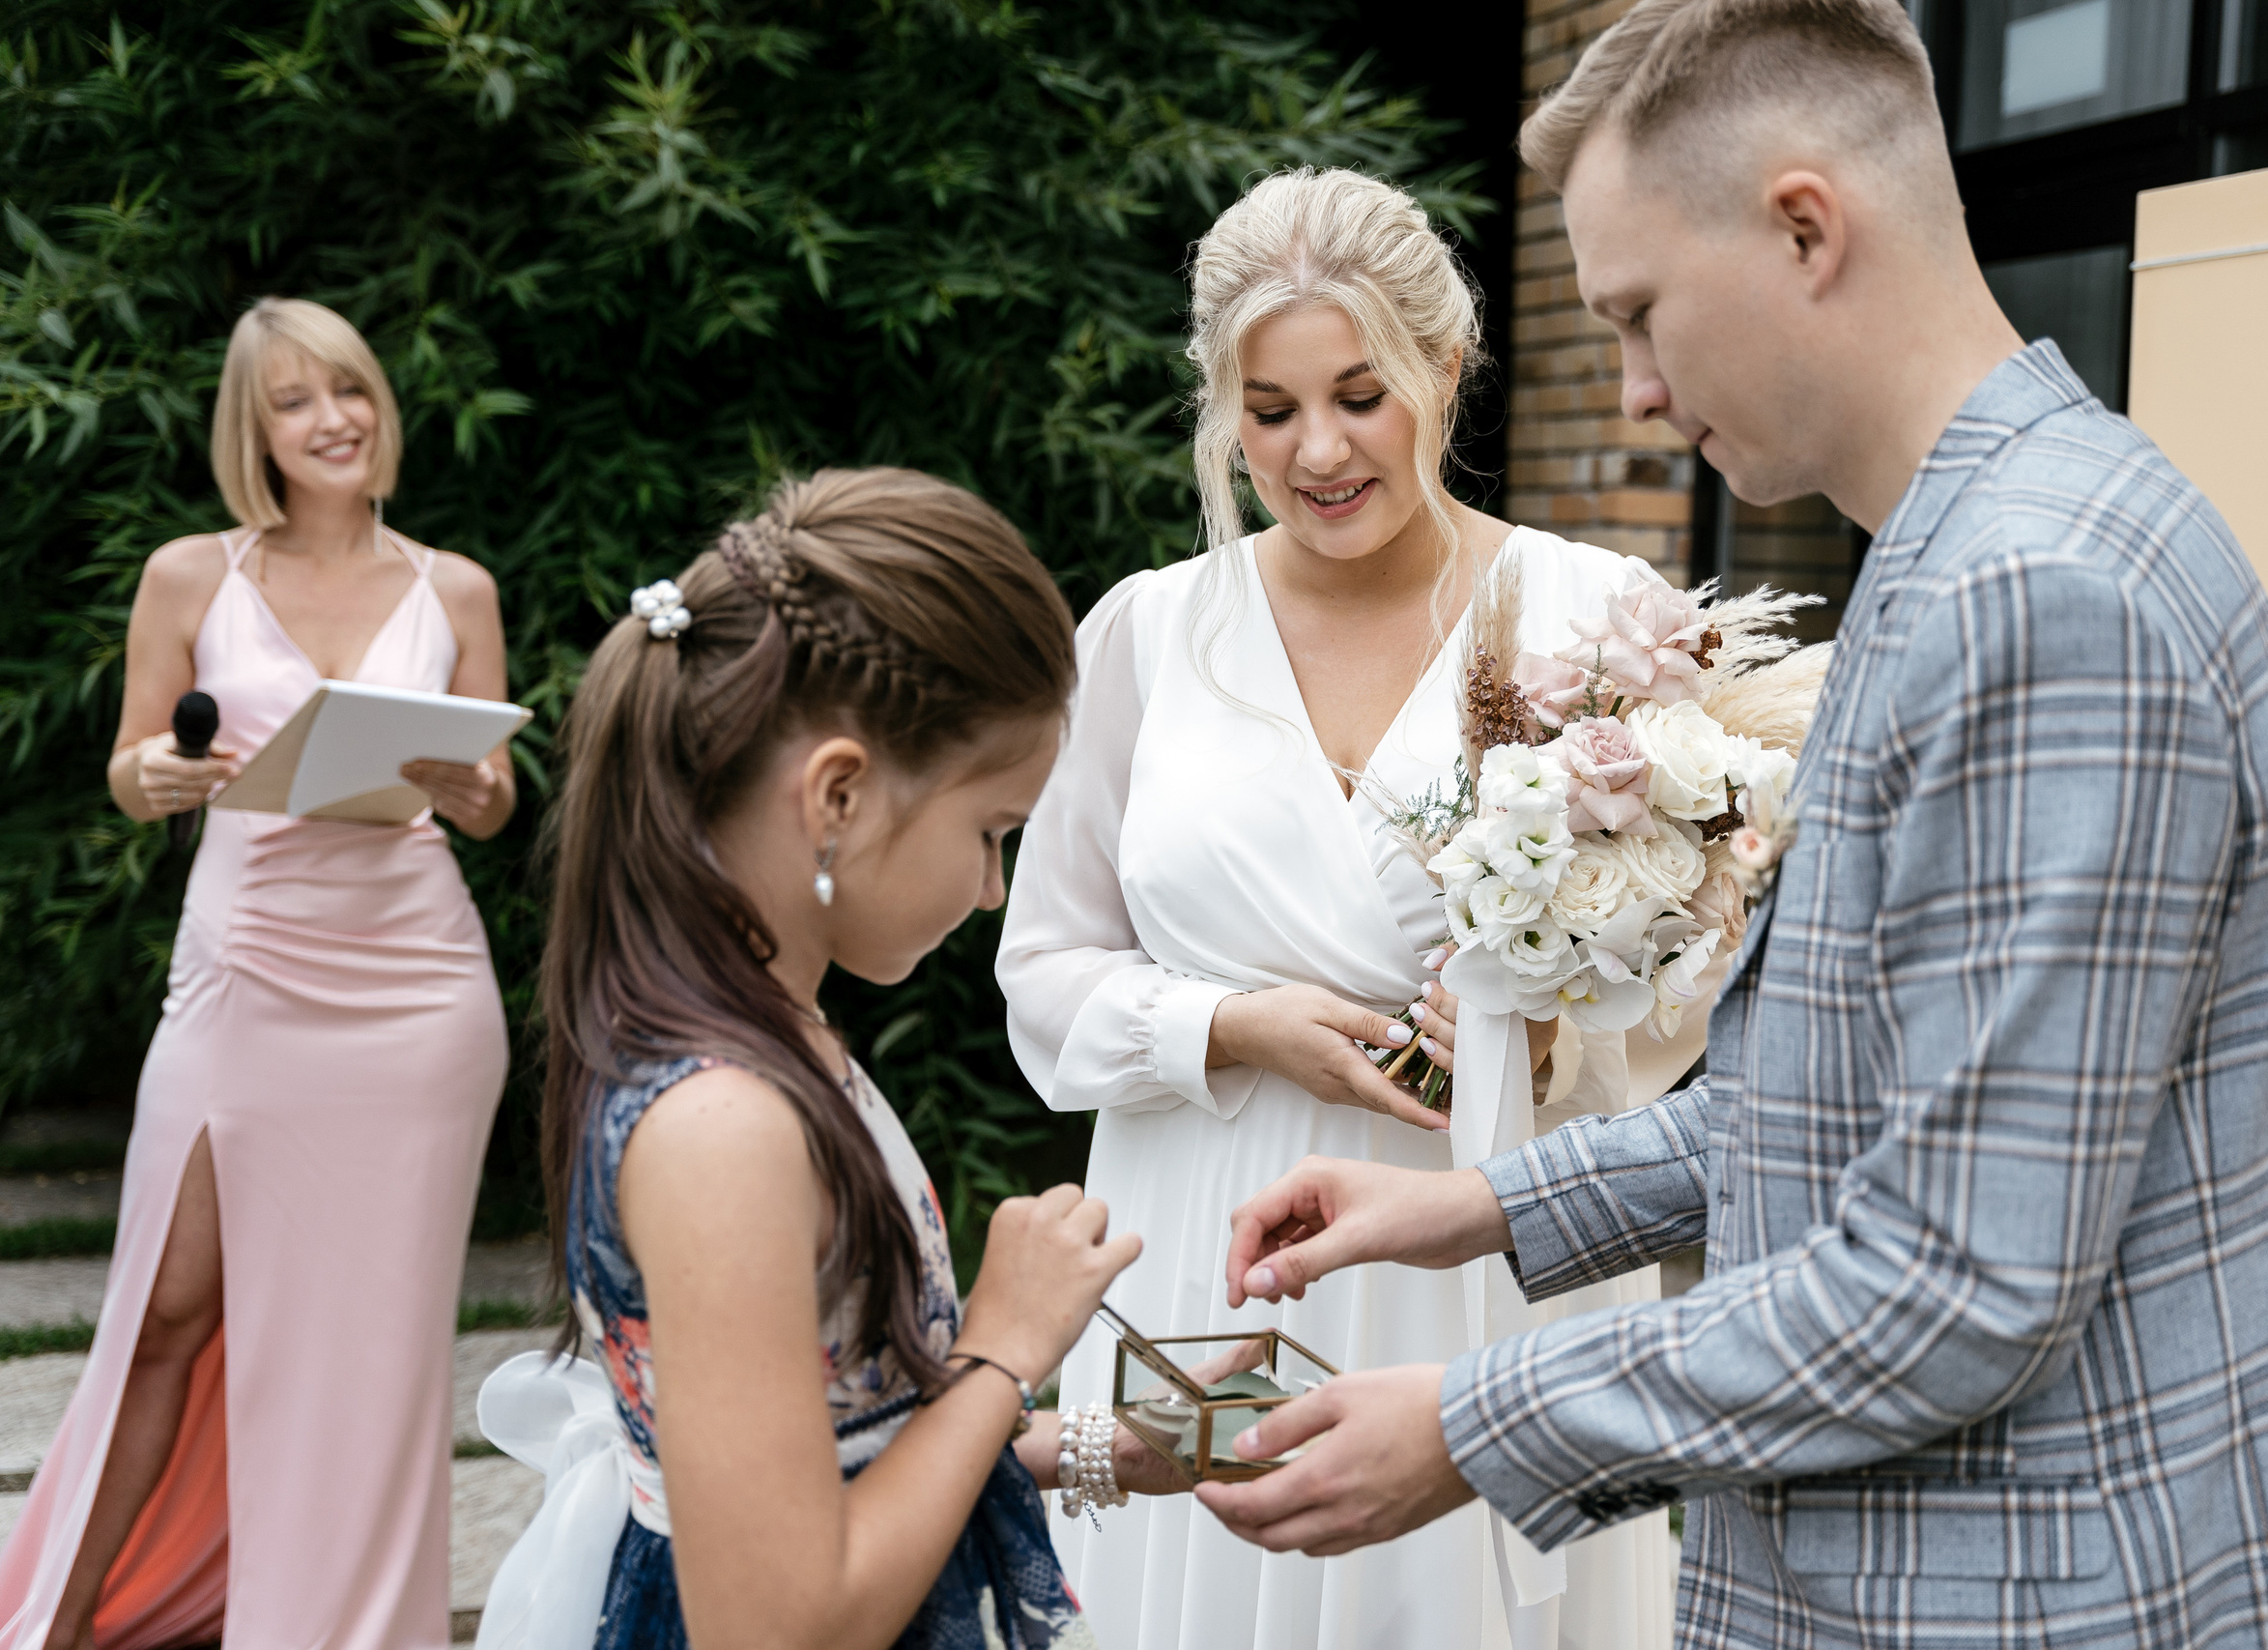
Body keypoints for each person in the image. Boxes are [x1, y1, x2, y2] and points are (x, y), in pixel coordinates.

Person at [1194, 2, 2268, 1646]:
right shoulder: (1959, 547)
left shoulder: (2042, 598)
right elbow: (1829, 1106)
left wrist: (1480, 1420)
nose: (1627, 390)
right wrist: (1477, 1208)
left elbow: (1957, 1279)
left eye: (1637, 312)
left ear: (1804, 229)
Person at [996, 167, 1690, 1650]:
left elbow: (1708, 968)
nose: (1316, 450)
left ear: (1447, 369)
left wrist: (1555, 1028)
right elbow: (1040, 970)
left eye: (1361, 394)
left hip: (1493, 1254)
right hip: (1200, 1242)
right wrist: (1224, 1025)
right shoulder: (1144, 634)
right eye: (1269, 409)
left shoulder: (1600, 619)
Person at [481, 467, 1192, 1650]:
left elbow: (835, 1447)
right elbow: (778, 1622)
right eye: (987, 831)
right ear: (840, 796)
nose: (990, 891)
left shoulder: (768, 1037)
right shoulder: (724, 1129)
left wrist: (1094, 1451)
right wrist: (1003, 1348)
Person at [0, 297, 518, 1649]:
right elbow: (129, 769)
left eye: (348, 389)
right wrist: (158, 773)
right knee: (170, 1304)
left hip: (416, 987)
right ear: (258, 430)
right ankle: (60, 1617)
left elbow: (494, 799)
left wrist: (470, 784)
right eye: (297, 401)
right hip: (248, 966)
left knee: (378, 1346)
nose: (333, 418)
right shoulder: (191, 574)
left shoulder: (453, 585)